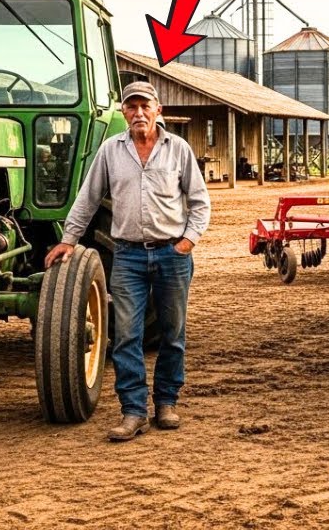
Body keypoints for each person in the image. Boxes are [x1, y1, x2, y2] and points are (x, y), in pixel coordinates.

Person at [45, 80, 210, 442]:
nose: (138, 113)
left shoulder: (178, 149)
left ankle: (166, 403)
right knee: (125, 337)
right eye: (131, 107)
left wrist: (187, 241)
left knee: (172, 334)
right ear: (124, 113)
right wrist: (68, 240)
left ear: (158, 110)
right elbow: (88, 199)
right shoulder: (110, 151)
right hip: (128, 256)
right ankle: (133, 412)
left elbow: (200, 202)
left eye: (145, 106)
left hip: (172, 255)